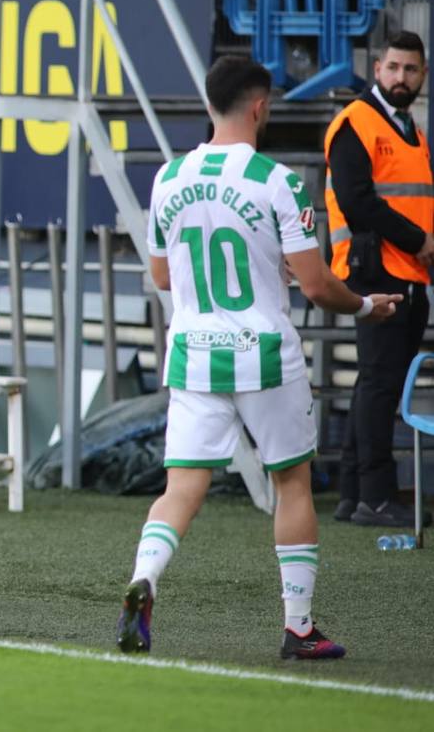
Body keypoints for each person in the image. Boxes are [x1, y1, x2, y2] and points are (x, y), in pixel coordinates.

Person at [117, 56, 401, 661]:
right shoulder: (276, 181)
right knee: (291, 482)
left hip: (194, 353)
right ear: (260, 106)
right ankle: (299, 627)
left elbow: (162, 276)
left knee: (181, 487)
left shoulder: (168, 177)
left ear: (209, 104)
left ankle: (145, 578)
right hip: (263, 354)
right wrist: (366, 305)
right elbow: (317, 285)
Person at [323, 31, 434, 528]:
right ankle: (376, 496)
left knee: (376, 383)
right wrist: (419, 240)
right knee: (382, 385)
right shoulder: (356, 122)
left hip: (406, 272)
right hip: (376, 272)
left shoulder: (410, 129)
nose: (400, 77)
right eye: (393, 67)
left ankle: (353, 495)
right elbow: (357, 202)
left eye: (410, 69)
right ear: (377, 70)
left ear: (423, 75)